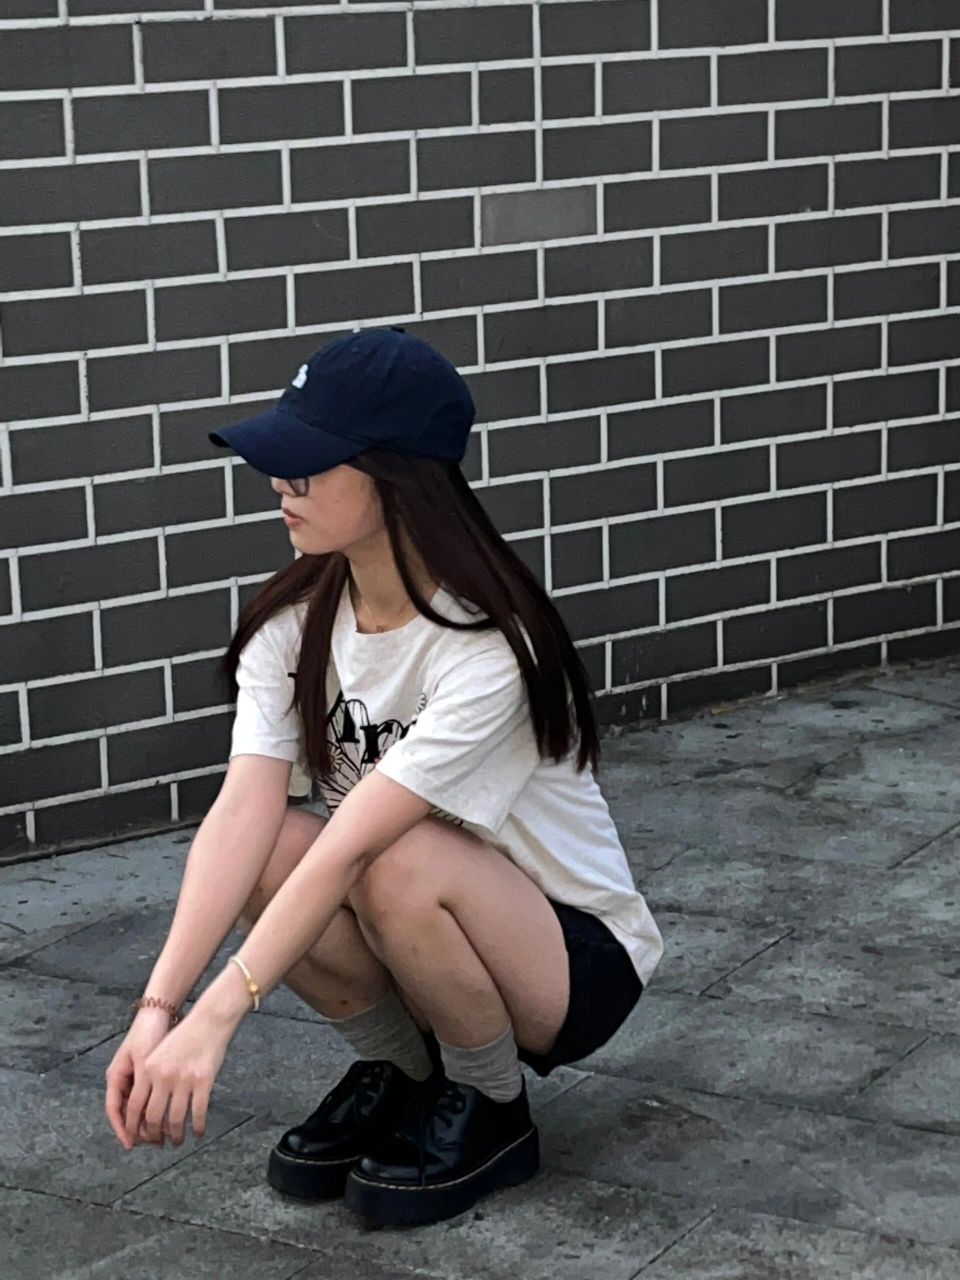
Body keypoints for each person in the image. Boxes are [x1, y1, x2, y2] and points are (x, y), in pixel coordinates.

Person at [103, 325, 664, 1228]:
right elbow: (241, 814)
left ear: (397, 476)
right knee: (274, 847)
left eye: (308, 464)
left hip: (567, 956)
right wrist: (158, 1008)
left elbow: (353, 850)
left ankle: (490, 1102)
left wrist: (218, 1018)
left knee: (390, 854)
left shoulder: (486, 646)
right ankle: (407, 1071)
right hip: (417, 914)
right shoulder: (296, 620)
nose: (280, 484)